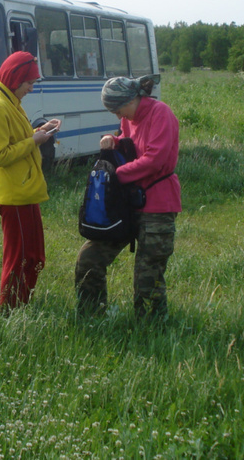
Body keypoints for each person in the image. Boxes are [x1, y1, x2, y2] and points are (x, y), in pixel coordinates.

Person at [74, 75, 181, 320]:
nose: (117, 116)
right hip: (126, 203)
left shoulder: (160, 113)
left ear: (131, 100)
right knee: (89, 259)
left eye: (117, 109)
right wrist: (115, 140)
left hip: (157, 204)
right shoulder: (128, 118)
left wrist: (115, 175)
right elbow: (130, 143)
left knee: (148, 275)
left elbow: (155, 159)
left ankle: (151, 330)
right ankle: (91, 318)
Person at [0, 51, 61, 310]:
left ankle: (21, 304)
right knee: (20, 257)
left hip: (25, 190)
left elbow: (17, 139)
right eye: (29, 83)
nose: (31, 88)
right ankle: (9, 310)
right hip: (13, 194)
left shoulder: (9, 100)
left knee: (35, 256)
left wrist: (40, 131)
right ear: (16, 78)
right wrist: (34, 141)